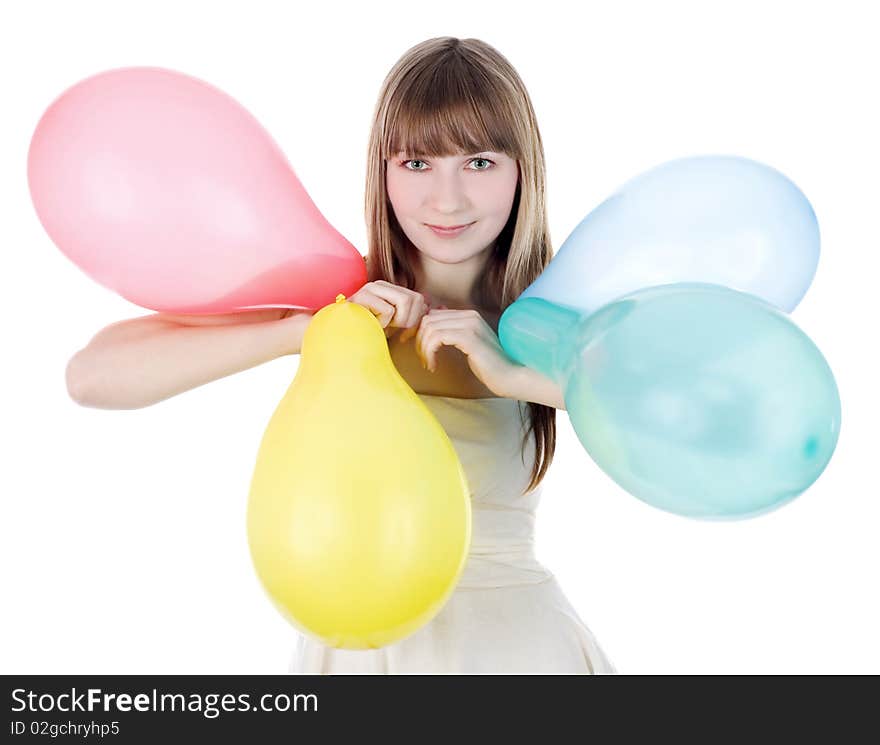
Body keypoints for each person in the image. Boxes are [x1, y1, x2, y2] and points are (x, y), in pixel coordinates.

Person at [65, 36, 617, 674]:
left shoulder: (552, 316)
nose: (448, 200)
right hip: (360, 652)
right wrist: (309, 330)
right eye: (417, 164)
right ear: (382, 173)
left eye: (480, 162)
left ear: (524, 170)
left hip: (517, 653)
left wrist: (513, 373)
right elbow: (92, 377)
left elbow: (688, 412)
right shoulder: (341, 296)